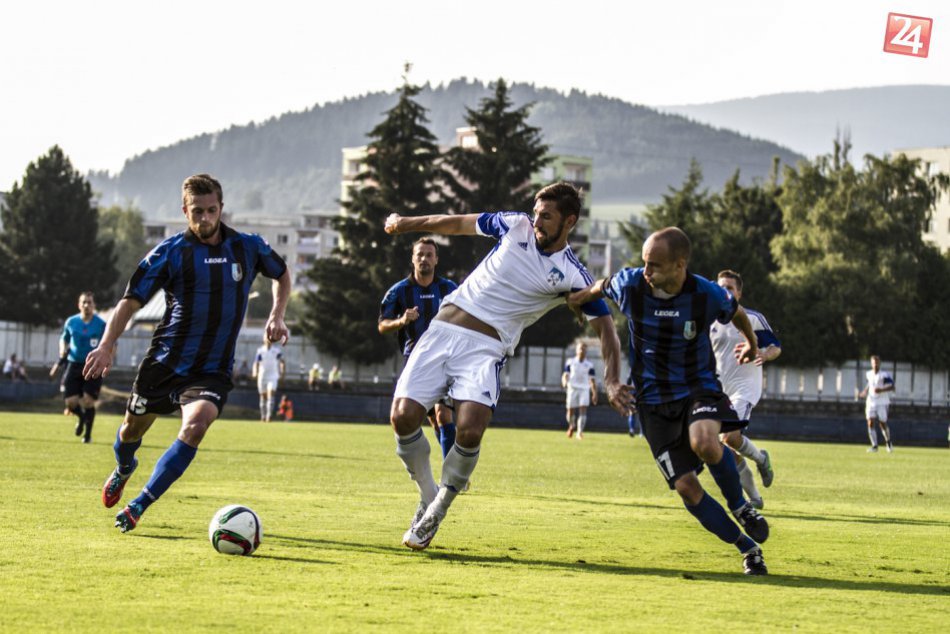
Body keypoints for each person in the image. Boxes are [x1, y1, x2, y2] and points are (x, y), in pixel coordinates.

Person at [384, 181, 626, 551]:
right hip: (441, 333)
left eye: (546, 216)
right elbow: (456, 222)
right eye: (536, 213)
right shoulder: (515, 225)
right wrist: (405, 223)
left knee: (470, 429)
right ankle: (428, 494)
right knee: (402, 417)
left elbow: (606, 328)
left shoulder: (572, 274)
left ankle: (438, 509)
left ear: (569, 222)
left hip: (485, 349)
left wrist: (612, 379)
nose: (537, 221)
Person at [83, 174, 291, 533]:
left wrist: (277, 315)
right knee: (129, 433)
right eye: (197, 211)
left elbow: (282, 274)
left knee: (196, 426)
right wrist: (105, 345)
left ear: (221, 208)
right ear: (185, 211)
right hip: (165, 363)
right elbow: (129, 302)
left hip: (211, 371)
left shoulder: (248, 247)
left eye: (211, 210)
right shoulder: (171, 252)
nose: (205, 218)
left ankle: (139, 505)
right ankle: (124, 468)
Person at [568, 227, 770, 575]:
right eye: (644, 263)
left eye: (655, 265)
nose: (646, 271)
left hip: (697, 387)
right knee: (686, 488)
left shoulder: (705, 293)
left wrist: (752, 343)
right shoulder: (631, 284)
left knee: (705, 442)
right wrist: (577, 299)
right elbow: (600, 286)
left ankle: (741, 507)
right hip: (653, 402)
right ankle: (747, 548)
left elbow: (736, 312)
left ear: (679, 265)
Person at [379, 237, 459, 457]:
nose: (424, 259)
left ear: (436, 260)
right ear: (413, 259)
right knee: (434, 419)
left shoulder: (449, 289)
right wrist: (402, 321)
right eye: (420, 255)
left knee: (444, 415)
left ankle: (451, 470)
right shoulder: (398, 291)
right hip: (414, 362)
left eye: (429, 255)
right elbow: (382, 325)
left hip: (444, 360)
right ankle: (450, 459)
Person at [711, 270, 781, 509]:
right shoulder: (709, 320)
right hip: (719, 391)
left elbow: (776, 347)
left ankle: (760, 459)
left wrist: (763, 353)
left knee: (730, 437)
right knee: (723, 446)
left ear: (739, 293)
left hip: (745, 388)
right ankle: (755, 498)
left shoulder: (752, 318)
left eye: (730, 288)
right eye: (721, 287)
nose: (725, 291)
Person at [49, 292, 107, 443]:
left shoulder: (101, 324)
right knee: (70, 402)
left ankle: (87, 435)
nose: (86, 305)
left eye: (89, 302)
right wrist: (62, 348)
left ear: (94, 305)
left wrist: (108, 361)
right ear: (79, 305)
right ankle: (81, 418)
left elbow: (110, 344)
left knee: (88, 401)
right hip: (73, 364)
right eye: (84, 302)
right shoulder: (71, 322)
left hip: (93, 365)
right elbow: (64, 339)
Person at [561, 341, 597, 439]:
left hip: (584, 389)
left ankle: (580, 432)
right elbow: (565, 374)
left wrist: (594, 393)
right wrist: (564, 381)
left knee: (583, 410)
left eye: (584, 349)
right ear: (576, 350)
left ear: (586, 351)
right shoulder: (570, 362)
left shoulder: (589, 365)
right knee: (570, 411)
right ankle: (571, 425)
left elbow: (592, 380)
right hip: (572, 388)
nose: (582, 350)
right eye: (580, 348)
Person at [859, 355, 895, 453]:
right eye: (874, 362)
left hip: (882, 402)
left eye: (877, 362)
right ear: (871, 364)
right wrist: (865, 391)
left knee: (882, 423)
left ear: (879, 363)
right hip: (871, 401)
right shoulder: (869, 374)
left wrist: (881, 390)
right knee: (870, 422)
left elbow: (892, 387)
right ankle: (874, 446)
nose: (875, 364)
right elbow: (870, 384)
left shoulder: (884, 375)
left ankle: (888, 442)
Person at [252, 333, 285, 422]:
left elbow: (282, 361)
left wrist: (282, 372)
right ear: (264, 339)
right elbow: (256, 363)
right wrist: (255, 372)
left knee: (271, 394)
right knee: (263, 396)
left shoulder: (276, 351)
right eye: (267, 337)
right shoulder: (260, 351)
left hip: (273, 376)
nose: (268, 339)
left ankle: (269, 416)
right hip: (262, 376)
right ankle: (263, 416)